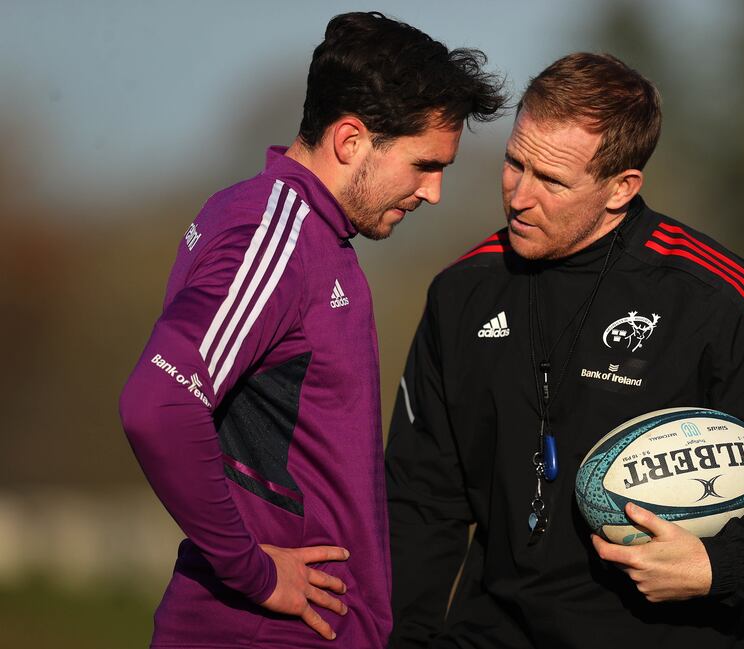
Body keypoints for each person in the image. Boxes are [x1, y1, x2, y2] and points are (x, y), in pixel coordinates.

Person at [386, 52, 744, 648]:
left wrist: (722, 565)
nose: (519, 196)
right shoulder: (462, 294)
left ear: (621, 188)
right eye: (514, 163)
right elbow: (420, 503)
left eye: (551, 180)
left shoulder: (717, 299)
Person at [119, 12, 505, 648]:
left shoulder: (300, 232)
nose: (433, 192)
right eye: (423, 164)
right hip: (258, 632)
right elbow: (157, 403)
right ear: (351, 141)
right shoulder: (275, 238)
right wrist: (256, 573)